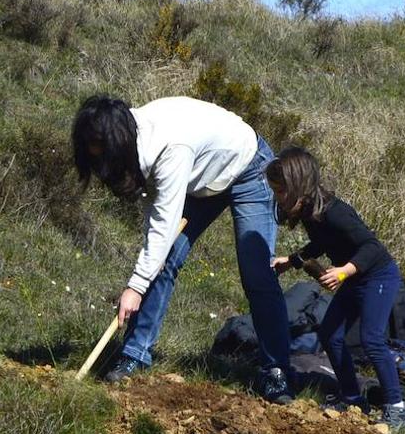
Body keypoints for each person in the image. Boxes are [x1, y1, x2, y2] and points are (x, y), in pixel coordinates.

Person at [72, 95, 294, 403]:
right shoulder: (125, 136)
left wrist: (135, 287)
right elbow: (157, 228)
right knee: (163, 261)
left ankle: (276, 373)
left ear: (116, 144)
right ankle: (134, 356)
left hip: (248, 166)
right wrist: (147, 271)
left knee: (257, 274)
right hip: (201, 175)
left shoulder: (170, 149)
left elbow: (163, 225)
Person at [266, 146, 405, 431]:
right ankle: (353, 398)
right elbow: (323, 244)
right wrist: (292, 260)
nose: (278, 197)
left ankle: (398, 409)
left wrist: (344, 271)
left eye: (282, 190)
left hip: (378, 277)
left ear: (299, 185)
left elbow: (372, 247)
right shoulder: (312, 213)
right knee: (330, 336)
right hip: (355, 278)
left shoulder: (335, 213)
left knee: (372, 340)